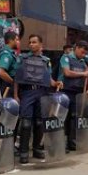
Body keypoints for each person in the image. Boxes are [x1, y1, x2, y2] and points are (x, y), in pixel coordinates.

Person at [14, 34, 62, 164]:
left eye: (34, 42)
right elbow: (17, 78)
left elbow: (49, 79)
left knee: (39, 122)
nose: (31, 44)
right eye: (30, 42)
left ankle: (36, 149)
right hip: (27, 92)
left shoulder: (46, 60)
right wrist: (15, 95)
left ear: (41, 45)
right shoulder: (23, 58)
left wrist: (56, 83)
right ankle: (24, 152)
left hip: (42, 92)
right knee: (26, 123)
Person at [59, 41, 88, 151]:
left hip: (77, 93)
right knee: (64, 117)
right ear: (76, 48)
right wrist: (82, 74)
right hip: (65, 91)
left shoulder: (83, 62)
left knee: (74, 117)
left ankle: (72, 141)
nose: (83, 55)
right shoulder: (66, 58)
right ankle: (62, 143)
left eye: (85, 54)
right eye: (82, 52)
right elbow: (67, 73)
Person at [0, 30, 20, 97]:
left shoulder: (12, 54)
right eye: (17, 40)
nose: (18, 42)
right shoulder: (6, 54)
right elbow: (1, 72)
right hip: (8, 88)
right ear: (10, 40)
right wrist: (13, 83)